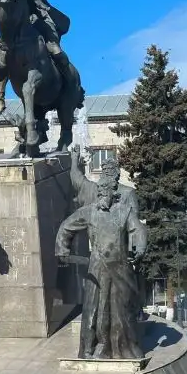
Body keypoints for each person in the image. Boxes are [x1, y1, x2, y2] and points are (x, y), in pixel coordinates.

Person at [56, 154, 148, 359]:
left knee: (120, 309)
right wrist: (62, 249)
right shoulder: (89, 212)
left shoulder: (124, 210)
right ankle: (94, 347)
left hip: (121, 265)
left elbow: (138, 230)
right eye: (99, 192)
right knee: (94, 307)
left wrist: (138, 248)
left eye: (103, 192)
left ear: (112, 192)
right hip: (97, 266)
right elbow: (66, 227)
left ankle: (121, 348)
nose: (100, 197)